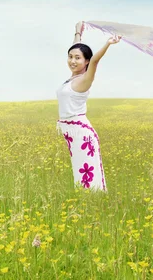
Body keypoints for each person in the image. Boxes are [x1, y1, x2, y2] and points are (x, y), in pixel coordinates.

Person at [56, 21, 121, 191]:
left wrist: (108, 44)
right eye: (70, 57)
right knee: (80, 177)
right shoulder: (72, 77)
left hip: (82, 136)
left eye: (78, 58)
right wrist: (77, 32)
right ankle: (87, 206)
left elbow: (94, 62)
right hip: (72, 134)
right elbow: (76, 48)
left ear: (86, 62)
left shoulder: (84, 80)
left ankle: (96, 206)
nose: (72, 60)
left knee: (89, 179)